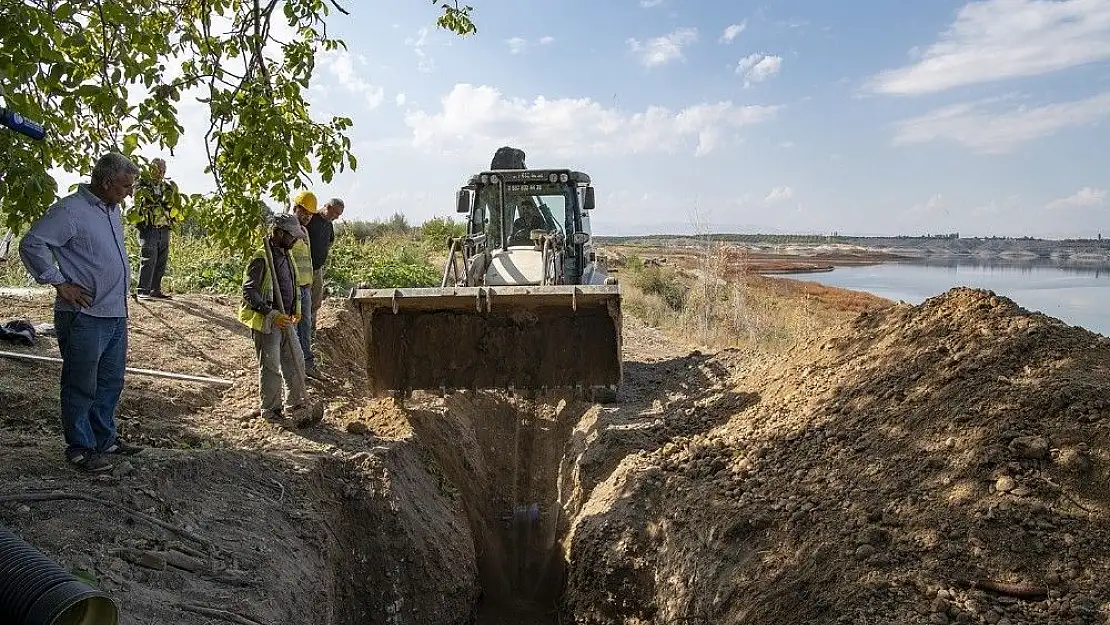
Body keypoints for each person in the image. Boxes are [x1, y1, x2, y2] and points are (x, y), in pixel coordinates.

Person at [19, 152, 145, 472]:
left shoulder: (111, 210)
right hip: (84, 314)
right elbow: (32, 243)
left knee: (110, 381)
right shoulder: (69, 210)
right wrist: (60, 282)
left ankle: (104, 439)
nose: (129, 193)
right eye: (125, 186)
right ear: (106, 182)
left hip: (114, 312)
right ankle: (80, 447)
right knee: (81, 382)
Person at [239, 213, 309, 420]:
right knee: (271, 367)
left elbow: (292, 285)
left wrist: (295, 309)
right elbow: (249, 291)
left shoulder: (287, 254)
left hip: (286, 319)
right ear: (278, 233)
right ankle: (271, 410)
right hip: (268, 320)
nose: (295, 240)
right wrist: (271, 313)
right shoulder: (261, 258)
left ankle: (295, 405)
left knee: (296, 360)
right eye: (291, 236)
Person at [127, 158, 182, 300]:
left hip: (164, 227)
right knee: (148, 257)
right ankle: (142, 290)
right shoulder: (142, 184)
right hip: (148, 227)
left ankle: (155, 289)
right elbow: (140, 201)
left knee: (161, 259)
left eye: (163, 170)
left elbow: (173, 204)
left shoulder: (167, 187)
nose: (161, 173)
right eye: (159, 170)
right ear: (152, 169)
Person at [287, 190, 320, 379]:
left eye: (310, 214)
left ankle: (306, 364)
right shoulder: (289, 230)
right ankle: (297, 366)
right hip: (294, 288)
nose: (307, 216)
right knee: (295, 327)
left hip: (305, 286)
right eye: (304, 212)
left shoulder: (304, 230)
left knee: (305, 327)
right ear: (295, 208)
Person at [308, 198, 343, 337]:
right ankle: (300, 331)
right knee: (302, 300)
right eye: (335, 213)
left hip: (317, 269)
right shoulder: (312, 219)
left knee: (316, 300)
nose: (336, 217)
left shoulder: (329, 225)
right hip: (304, 268)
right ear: (327, 207)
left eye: (339, 215)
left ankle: (311, 329)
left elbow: (329, 242)